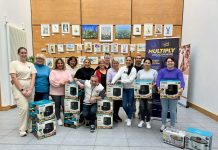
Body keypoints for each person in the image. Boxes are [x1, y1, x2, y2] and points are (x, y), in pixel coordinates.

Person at [10, 47, 37, 137]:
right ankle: (22, 129)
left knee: (30, 108)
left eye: (25, 53)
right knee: (24, 108)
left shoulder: (30, 64)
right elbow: (14, 77)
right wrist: (22, 90)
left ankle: (29, 127)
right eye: (22, 53)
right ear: (19, 53)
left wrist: (30, 89)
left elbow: (33, 77)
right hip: (18, 88)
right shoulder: (14, 63)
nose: (24, 54)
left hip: (29, 87)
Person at [156, 56, 185, 132]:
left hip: (174, 94)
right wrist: (158, 87)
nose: (170, 62)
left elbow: (182, 81)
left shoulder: (178, 71)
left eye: (171, 61)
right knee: (164, 109)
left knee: (172, 110)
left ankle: (172, 125)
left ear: (174, 62)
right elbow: (158, 80)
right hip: (164, 93)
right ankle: (163, 124)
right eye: (168, 61)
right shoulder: (162, 71)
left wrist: (182, 88)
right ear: (166, 63)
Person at [111, 56, 137, 126]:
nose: (128, 61)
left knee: (130, 104)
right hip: (124, 89)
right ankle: (129, 115)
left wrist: (121, 80)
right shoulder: (122, 68)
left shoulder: (134, 69)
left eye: (129, 60)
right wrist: (112, 82)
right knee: (124, 105)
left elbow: (130, 80)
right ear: (125, 61)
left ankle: (129, 118)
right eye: (127, 60)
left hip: (131, 89)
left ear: (132, 61)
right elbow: (117, 75)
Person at [137, 58, 158, 129]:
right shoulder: (140, 72)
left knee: (149, 108)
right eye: (146, 62)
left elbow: (156, 81)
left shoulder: (154, 72)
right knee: (142, 107)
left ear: (151, 64)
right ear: (143, 63)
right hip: (141, 92)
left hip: (150, 92)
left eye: (149, 63)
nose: (147, 64)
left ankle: (148, 121)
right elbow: (137, 81)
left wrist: (153, 85)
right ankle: (142, 120)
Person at [49, 58, 71, 126]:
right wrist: (60, 84)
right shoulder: (53, 71)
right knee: (57, 106)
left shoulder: (66, 71)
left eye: (61, 63)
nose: (60, 64)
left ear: (63, 64)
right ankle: (58, 119)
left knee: (65, 105)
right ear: (56, 64)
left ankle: (66, 119)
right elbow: (52, 81)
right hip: (55, 92)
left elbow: (70, 79)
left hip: (65, 92)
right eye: (58, 63)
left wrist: (65, 82)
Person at [74, 58, 95, 123]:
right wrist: (80, 84)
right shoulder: (80, 70)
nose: (87, 63)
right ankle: (82, 116)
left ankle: (88, 116)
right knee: (81, 103)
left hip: (90, 89)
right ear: (84, 63)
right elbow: (75, 78)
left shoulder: (92, 70)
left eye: (88, 62)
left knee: (89, 102)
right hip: (82, 88)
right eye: (85, 62)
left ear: (90, 63)